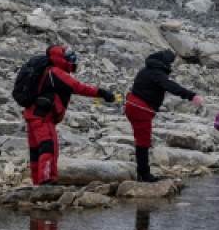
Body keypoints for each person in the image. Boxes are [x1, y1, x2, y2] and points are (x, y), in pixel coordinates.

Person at [23, 45, 116, 186]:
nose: (72, 60)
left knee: (36, 151)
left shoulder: (45, 70)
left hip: (32, 115)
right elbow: (77, 87)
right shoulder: (55, 72)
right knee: (48, 147)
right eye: (68, 57)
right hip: (43, 117)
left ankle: (37, 182)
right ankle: (47, 180)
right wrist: (101, 93)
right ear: (60, 58)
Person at [124, 49, 201, 182]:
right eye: (170, 63)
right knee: (143, 141)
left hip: (135, 106)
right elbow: (169, 85)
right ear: (164, 61)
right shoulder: (157, 73)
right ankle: (144, 174)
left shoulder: (147, 69)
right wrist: (190, 95)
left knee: (142, 139)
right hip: (140, 108)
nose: (170, 66)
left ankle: (142, 172)